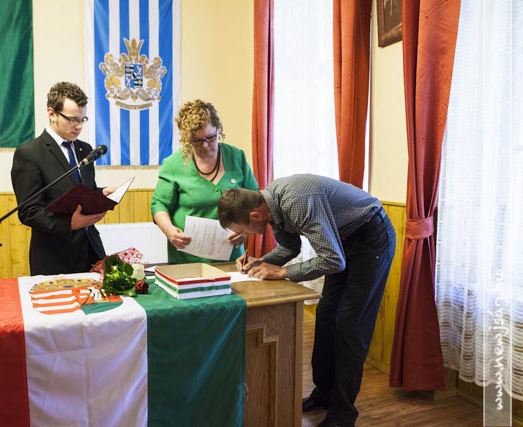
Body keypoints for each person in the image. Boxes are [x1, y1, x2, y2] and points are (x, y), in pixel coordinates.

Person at [217, 174, 396, 427]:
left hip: (372, 237)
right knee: (325, 317)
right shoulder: (270, 206)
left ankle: (343, 415)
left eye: (241, 231)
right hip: (341, 241)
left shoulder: (295, 201)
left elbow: (333, 260)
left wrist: (283, 272)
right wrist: (260, 262)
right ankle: (323, 394)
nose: (242, 237)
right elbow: (290, 247)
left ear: (255, 216)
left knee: (350, 326)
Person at [11, 82, 112, 275]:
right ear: (52, 113)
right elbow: (29, 211)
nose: (79, 126)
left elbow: (83, 191)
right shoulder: (30, 153)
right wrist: (69, 224)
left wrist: (102, 193)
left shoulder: (85, 149)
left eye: (83, 119)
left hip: (91, 250)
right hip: (54, 257)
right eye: (72, 119)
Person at [151, 99, 259, 264]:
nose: (205, 145)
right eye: (197, 141)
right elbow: (159, 205)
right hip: (187, 258)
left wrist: (245, 232)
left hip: (230, 256)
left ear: (219, 130)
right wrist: (169, 230)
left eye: (211, 138)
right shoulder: (173, 164)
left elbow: (256, 201)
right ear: (187, 139)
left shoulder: (237, 157)